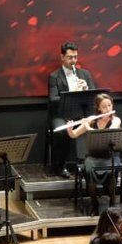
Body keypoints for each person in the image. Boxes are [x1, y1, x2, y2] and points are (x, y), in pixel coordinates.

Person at [66, 93, 122, 215]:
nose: (108, 109)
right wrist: (70, 129)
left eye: (109, 105)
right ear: (99, 108)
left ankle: (112, 203)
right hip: (93, 156)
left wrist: (87, 127)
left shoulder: (116, 120)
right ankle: (94, 203)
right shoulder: (92, 120)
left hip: (110, 156)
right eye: (104, 107)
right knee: (90, 169)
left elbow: (105, 134)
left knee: (112, 171)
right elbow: (74, 135)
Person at [48, 41, 97, 174]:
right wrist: (71, 94)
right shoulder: (54, 76)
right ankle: (61, 165)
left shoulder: (85, 74)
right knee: (61, 131)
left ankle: (88, 162)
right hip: (61, 114)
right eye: (70, 57)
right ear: (62, 57)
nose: (73, 61)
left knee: (95, 124)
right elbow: (53, 99)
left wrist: (86, 88)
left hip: (81, 113)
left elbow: (95, 96)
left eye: (75, 57)